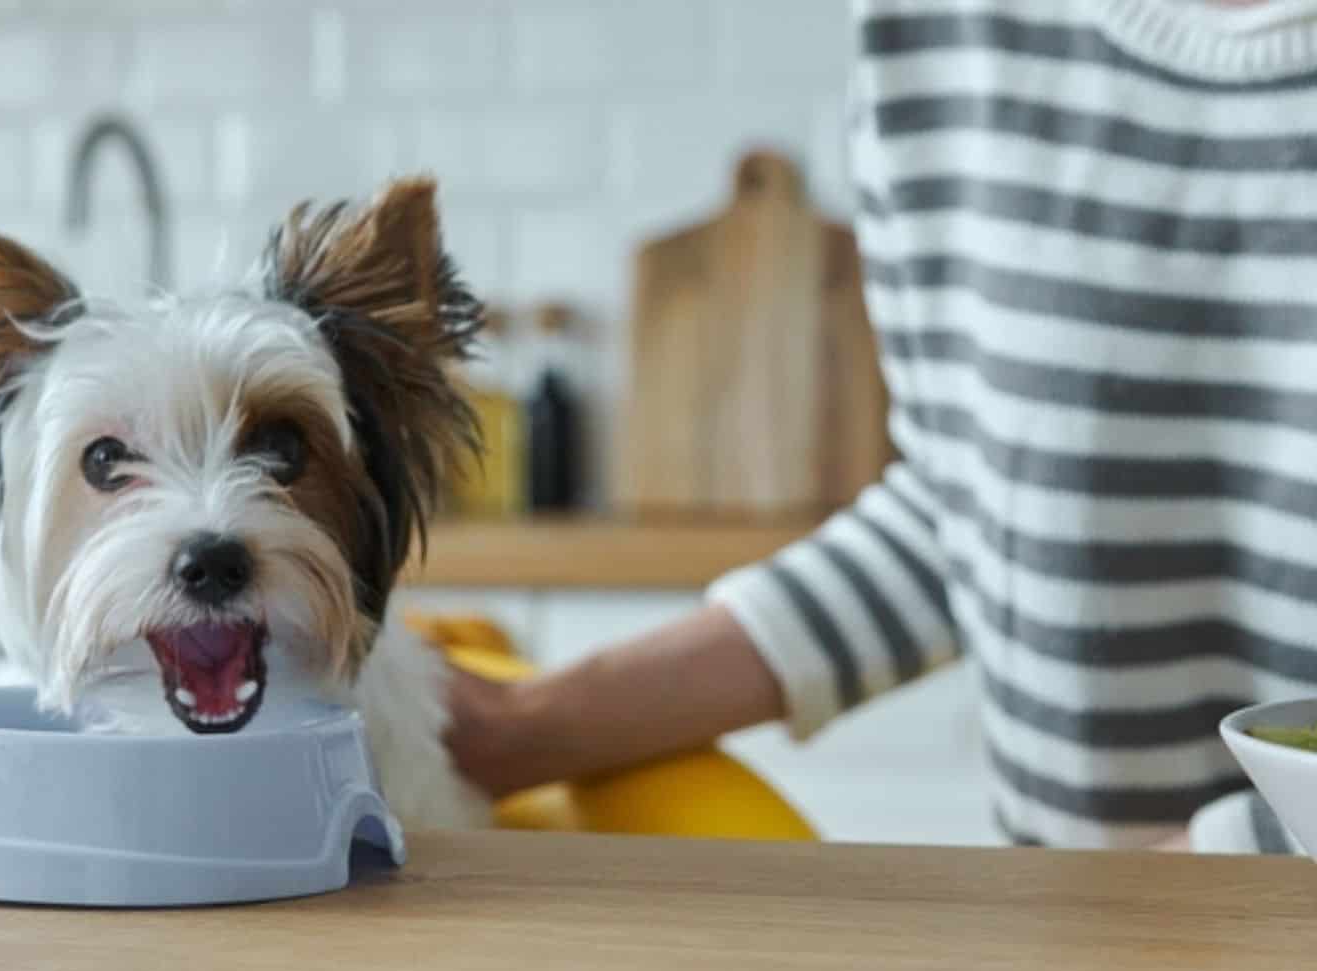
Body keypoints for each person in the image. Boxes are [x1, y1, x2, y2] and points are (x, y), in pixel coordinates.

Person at [444, 0, 1317, 854]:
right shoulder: (937, 29)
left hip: (1156, 930)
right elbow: (966, 506)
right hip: (1097, 941)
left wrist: (1194, 882)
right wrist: (524, 727)